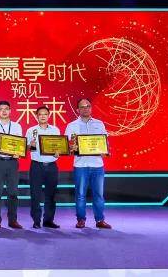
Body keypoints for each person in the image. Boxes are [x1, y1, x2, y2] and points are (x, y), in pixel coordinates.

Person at [65, 98, 112, 229]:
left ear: (91, 108)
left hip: (97, 165)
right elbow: (68, 146)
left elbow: (105, 142)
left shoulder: (99, 124)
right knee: (80, 195)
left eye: (88, 106)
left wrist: (106, 150)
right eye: (82, 107)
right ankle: (81, 220)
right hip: (80, 166)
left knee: (99, 194)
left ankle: (100, 220)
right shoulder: (71, 125)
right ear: (77, 110)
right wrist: (72, 147)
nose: (85, 109)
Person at [0, 100, 24, 229]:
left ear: (10, 111)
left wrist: (18, 152)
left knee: (13, 193)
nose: (4, 111)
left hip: (12, 162)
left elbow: (20, 145)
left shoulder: (17, 126)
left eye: (6, 109)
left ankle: (13, 220)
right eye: (1, 109)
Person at [26, 106, 61, 229]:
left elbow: (58, 147)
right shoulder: (31, 130)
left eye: (45, 114)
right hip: (37, 165)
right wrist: (30, 145)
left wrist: (58, 152)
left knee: (51, 195)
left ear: (49, 115)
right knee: (35, 194)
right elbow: (26, 148)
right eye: (40, 114)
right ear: (36, 116)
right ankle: (36, 220)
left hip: (52, 165)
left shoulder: (55, 130)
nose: (42, 116)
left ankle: (48, 220)